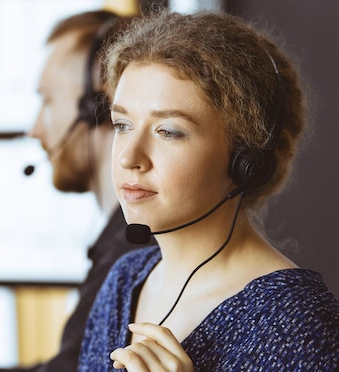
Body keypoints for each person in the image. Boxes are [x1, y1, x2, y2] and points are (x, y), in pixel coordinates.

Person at [77, 10, 339, 371]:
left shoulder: (299, 323)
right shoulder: (124, 280)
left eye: (167, 131)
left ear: (245, 160)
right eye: (122, 124)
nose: (128, 158)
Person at [0, 10, 151, 372]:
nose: (35, 129)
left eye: (47, 101)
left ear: (95, 106)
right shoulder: (123, 239)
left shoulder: (132, 253)